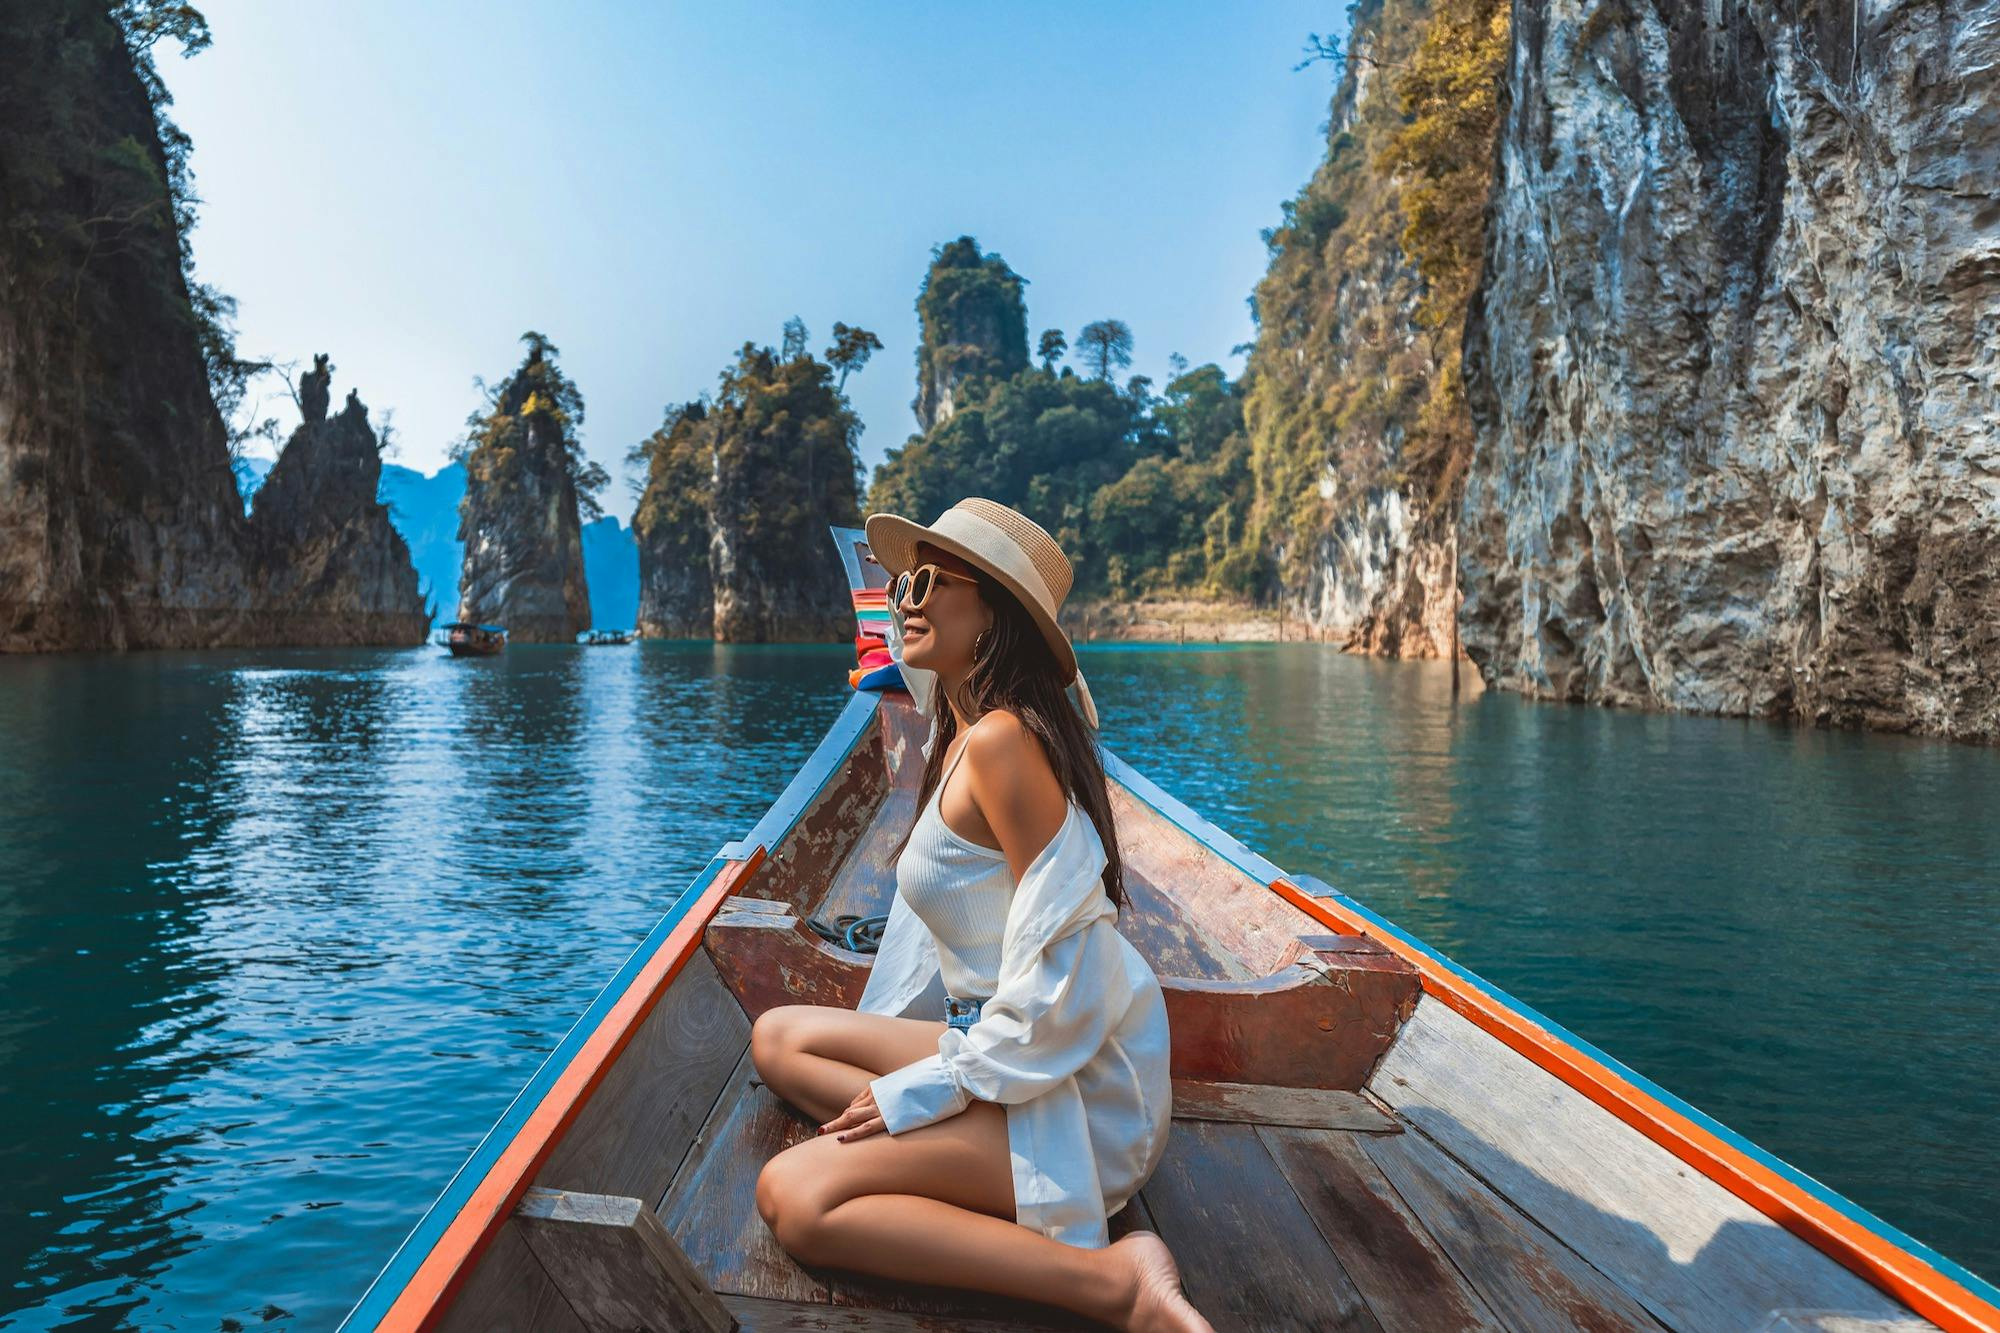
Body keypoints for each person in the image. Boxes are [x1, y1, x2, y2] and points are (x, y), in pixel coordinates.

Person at [751, 499, 1211, 1332]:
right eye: (901, 585)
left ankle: (1115, 1282)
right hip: (996, 1043)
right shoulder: (960, 732)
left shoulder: (1002, 744)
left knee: (794, 1194)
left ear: (993, 611)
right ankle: (955, 1157)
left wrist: (931, 1089)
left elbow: (1066, 972)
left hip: (1066, 1080)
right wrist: (932, 1087)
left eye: (930, 581)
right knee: (780, 1037)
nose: (907, 600)